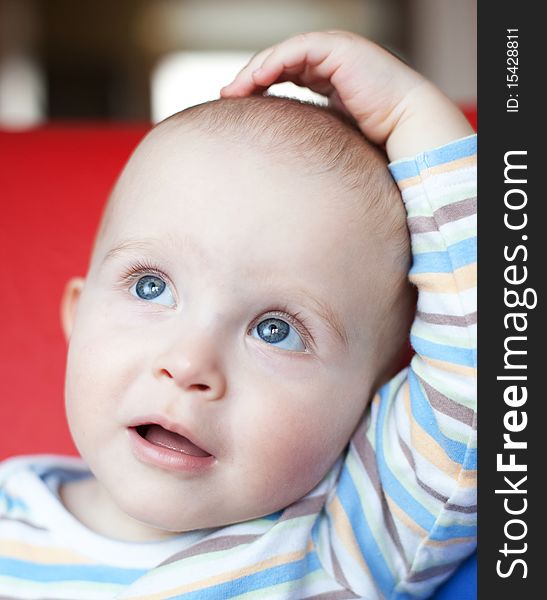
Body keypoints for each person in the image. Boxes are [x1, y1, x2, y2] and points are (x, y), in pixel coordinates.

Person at [0, 31, 476, 599]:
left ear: (367, 404)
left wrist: (412, 113)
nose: (187, 362)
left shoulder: (345, 537)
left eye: (275, 330)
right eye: (152, 288)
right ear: (78, 315)